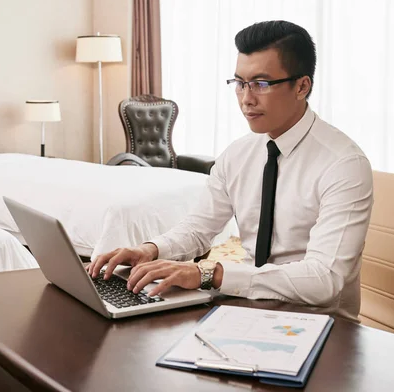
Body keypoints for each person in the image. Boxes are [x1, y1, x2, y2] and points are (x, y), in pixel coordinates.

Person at [87, 20, 373, 322]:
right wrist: (151, 249)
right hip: (248, 309)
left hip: (322, 325)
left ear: (302, 86)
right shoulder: (238, 154)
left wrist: (211, 273)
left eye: (261, 84)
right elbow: (198, 229)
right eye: (239, 83)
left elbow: (323, 279)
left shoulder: (343, 165)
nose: (246, 98)